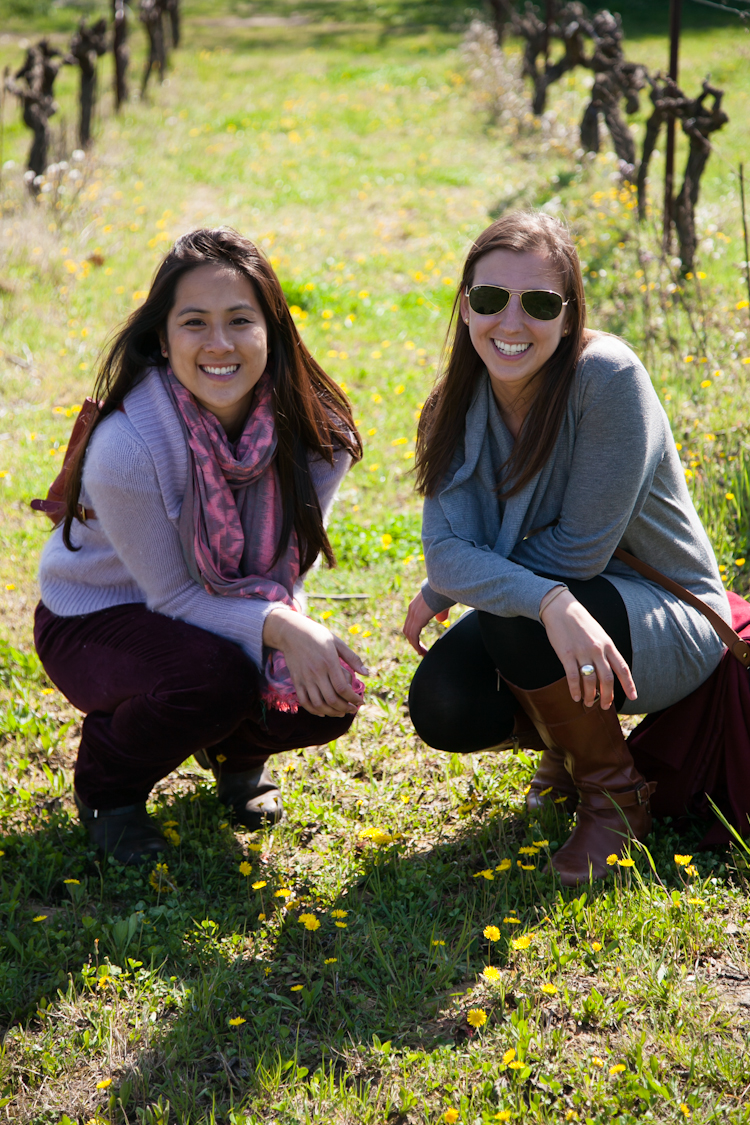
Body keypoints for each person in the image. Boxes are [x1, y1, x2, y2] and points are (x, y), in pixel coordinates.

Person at [403, 211, 729, 886]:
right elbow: (445, 552)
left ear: (570, 312)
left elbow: (578, 552)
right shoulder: (454, 406)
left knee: (519, 611)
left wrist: (503, 589)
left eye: (540, 303)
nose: (511, 323)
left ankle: (614, 795)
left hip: (670, 610)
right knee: (443, 699)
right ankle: (571, 742)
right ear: (466, 307)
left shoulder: (607, 379)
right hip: (568, 612)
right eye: (490, 299)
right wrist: (454, 581)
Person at [34, 227, 368, 865]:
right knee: (210, 679)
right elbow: (173, 597)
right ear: (163, 339)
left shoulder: (320, 440)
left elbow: (279, 569)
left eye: (240, 320)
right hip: (98, 617)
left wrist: (295, 638)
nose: (219, 344)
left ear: (272, 329)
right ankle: (111, 790)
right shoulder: (128, 447)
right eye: (194, 323)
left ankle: (234, 755)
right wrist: (283, 629)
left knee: (323, 697)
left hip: (218, 603)